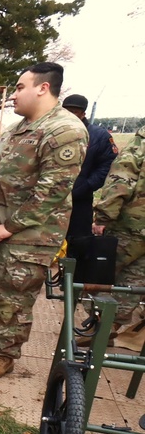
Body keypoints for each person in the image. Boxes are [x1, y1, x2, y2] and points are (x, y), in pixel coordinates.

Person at [0, 62, 88, 380]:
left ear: (43, 88)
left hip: (29, 235)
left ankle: (5, 355)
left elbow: (52, 192)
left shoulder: (65, 130)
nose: (13, 95)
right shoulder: (20, 128)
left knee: (14, 296)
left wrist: (10, 226)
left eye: (19, 87)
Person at [91, 125, 145, 340]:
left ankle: (98, 324)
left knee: (103, 273)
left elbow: (121, 181)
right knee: (136, 282)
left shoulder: (140, 144)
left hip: (130, 225)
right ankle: (111, 326)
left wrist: (103, 217)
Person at [61, 93, 118, 243]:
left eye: (74, 112)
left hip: (79, 201)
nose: (69, 115)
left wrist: (86, 185)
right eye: (66, 111)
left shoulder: (98, 136)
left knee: (78, 244)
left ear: (83, 114)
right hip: (50, 200)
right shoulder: (53, 132)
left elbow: (107, 165)